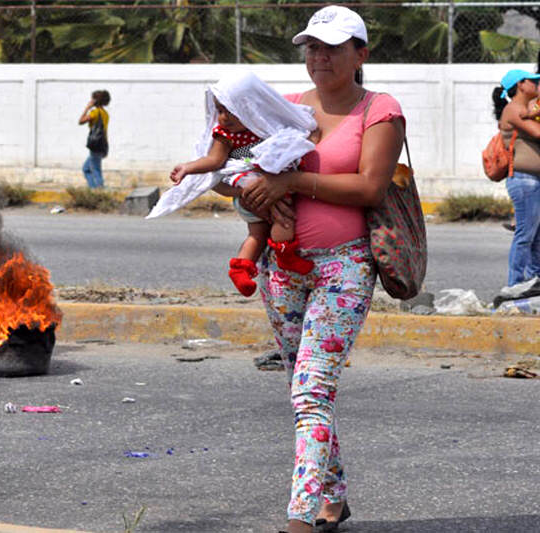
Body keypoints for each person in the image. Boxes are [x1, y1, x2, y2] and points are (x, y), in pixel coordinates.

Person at [238, 6, 406, 532]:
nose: (319, 57)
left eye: (332, 47)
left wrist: (291, 185)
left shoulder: (380, 110)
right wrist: (251, 193)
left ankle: (302, 517)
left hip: (346, 268)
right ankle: (333, 495)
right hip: (283, 269)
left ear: (361, 54)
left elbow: (369, 188)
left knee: (311, 392)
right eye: (311, 47)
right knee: (301, 387)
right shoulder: (287, 107)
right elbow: (242, 178)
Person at [167, 72, 319, 296]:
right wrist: (187, 168)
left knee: (256, 235)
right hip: (246, 184)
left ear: (249, 107)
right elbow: (214, 161)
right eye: (219, 111)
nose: (224, 117)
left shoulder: (265, 125)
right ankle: (286, 256)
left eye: (231, 110)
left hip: (256, 188)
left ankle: (241, 269)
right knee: (284, 218)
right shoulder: (226, 135)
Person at [491, 69, 540, 287]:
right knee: (525, 235)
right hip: (524, 180)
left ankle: (533, 283)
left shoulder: (528, 109)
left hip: (533, 180)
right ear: (521, 85)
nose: (537, 85)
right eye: (533, 81)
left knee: (536, 238)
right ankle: (515, 286)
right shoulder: (513, 109)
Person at [78, 90, 110, 188]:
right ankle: (94, 189)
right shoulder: (105, 113)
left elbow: (81, 121)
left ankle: (99, 191)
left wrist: (87, 108)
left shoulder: (95, 112)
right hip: (102, 145)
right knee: (86, 169)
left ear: (96, 100)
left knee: (96, 170)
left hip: (95, 145)